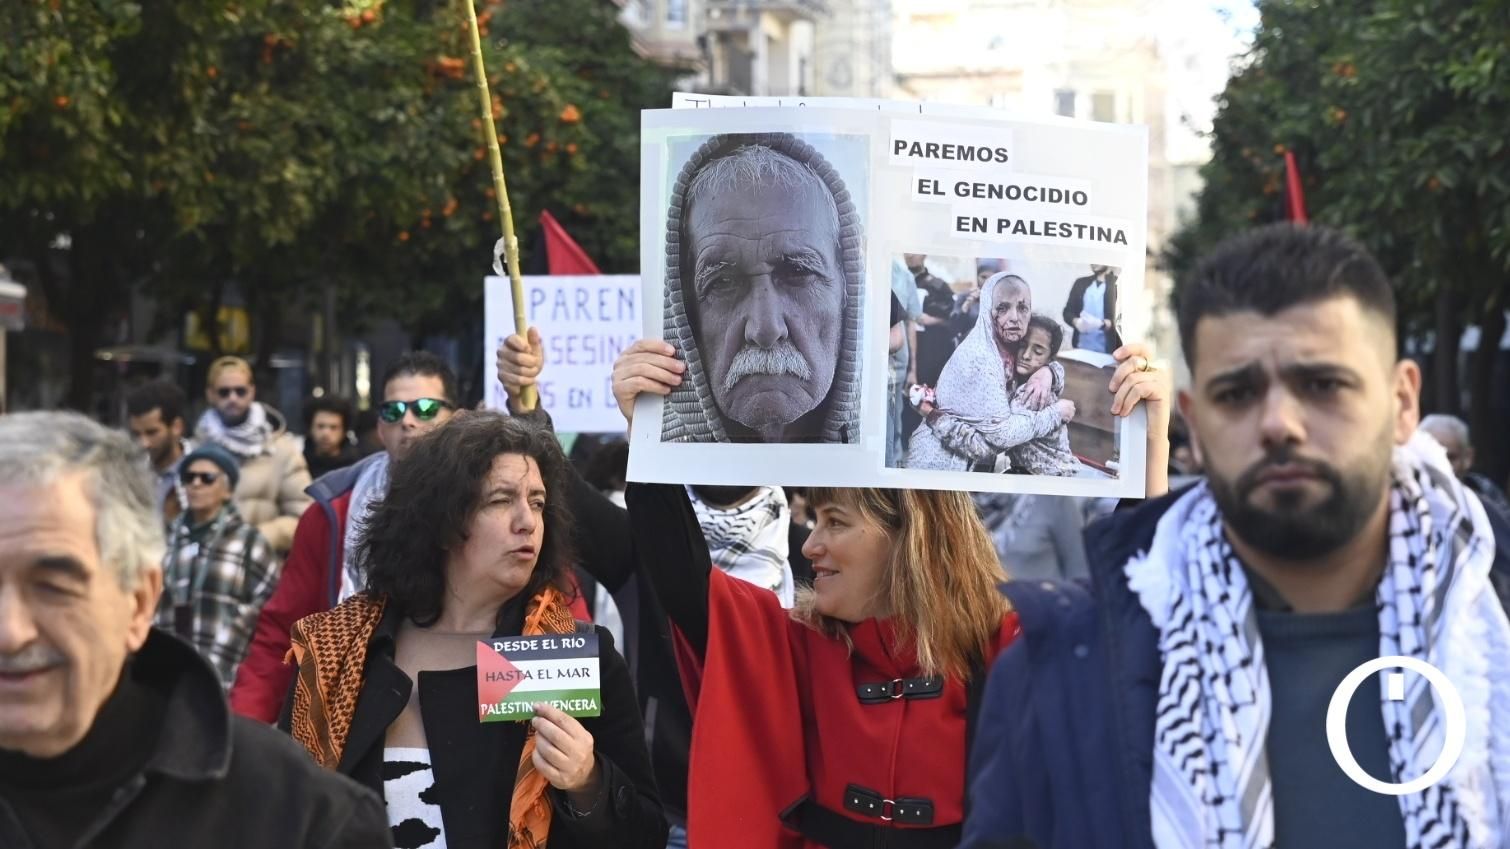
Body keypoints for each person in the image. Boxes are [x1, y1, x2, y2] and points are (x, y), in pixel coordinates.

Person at [963, 224, 1510, 849]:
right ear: (1195, 423)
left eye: (1322, 384)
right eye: (1238, 393)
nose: (1279, 423)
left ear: (1402, 401)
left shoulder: (1496, 624)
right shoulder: (1060, 677)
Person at [608, 335, 1168, 849]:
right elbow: (681, 579)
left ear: (909, 538)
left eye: (836, 522)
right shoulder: (795, 648)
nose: (811, 545)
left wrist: (1150, 441)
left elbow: (1120, 608)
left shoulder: (1005, 649)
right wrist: (650, 436)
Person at [0, 412, 391, 849]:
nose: (10, 633)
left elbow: (274, 626)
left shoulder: (301, 818)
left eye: (52, 587)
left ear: (138, 602)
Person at [279, 410, 665, 849]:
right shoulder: (340, 649)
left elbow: (647, 834)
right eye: (501, 500)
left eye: (537, 502)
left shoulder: (575, 655)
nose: (527, 521)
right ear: (443, 522)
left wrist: (588, 783)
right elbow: (283, 811)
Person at [497, 334, 819, 849]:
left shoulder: (816, 557)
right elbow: (557, 492)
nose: (725, 439)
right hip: (673, 815)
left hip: (785, 817)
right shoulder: (644, 542)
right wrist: (525, 401)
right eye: (708, 418)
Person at [230, 352, 459, 722]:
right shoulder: (332, 513)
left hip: (463, 715)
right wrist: (241, 730)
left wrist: (581, 762)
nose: (409, 422)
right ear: (380, 427)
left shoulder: (491, 504)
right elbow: (281, 633)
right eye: (393, 411)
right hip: (351, 723)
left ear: (457, 420)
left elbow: (545, 613)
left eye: (427, 408)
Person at [661, 133, 864, 444]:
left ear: (847, 290)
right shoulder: (654, 459)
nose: (765, 329)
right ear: (686, 314)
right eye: (723, 282)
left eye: (798, 272)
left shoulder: (900, 461)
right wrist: (641, 435)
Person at [906, 273, 1063, 471]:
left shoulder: (1012, 343)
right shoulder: (980, 358)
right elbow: (997, 441)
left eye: (1022, 308)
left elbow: (1047, 357)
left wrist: (1049, 373)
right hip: (941, 465)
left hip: (968, 465)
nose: (1014, 317)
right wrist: (1056, 414)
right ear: (987, 310)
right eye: (1002, 308)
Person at [156, 443, 280, 691]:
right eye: (189, 478)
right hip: (170, 674)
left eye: (207, 478)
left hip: (228, 675)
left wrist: (229, 643)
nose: (196, 484)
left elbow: (268, 605)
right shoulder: (168, 538)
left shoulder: (248, 541)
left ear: (227, 490)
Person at [916, 313, 1079, 476]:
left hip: (1045, 482)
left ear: (1049, 358)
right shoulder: (1017, 377)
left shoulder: (1032, 393)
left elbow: (983, 449)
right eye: (1023, 345)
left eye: (1037, 351)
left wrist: (933, 415)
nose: (1026, 355)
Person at [193, 356, 311, 554]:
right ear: (210, 395)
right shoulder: (196, 449)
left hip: (264, 566)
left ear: (252, 392)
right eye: (224, 392)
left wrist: (257, 538)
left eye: (240, 391)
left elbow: (305, 514)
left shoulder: (281, 449)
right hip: (208, 566)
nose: (233, 398)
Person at [973, 493, 1088, 583]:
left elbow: (1081, 572)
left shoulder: (1051, 498)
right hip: (983, 610)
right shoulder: (959, 500)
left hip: (1042, 610)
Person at [125, 379, 193, 527]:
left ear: (176, 427)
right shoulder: (127, 471)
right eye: (136, 434)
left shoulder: (202, 470)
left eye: (152, 432)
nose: (143, 443)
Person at [1418, 413, 1510, 521]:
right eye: (1431, 457)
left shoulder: (1487, 496)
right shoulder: (1402, 498)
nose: (1441, 466)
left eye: (1450, 458)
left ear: (1467, 458)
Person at [889, 258, 923, 465]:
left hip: (895, 366)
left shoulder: (902, 275)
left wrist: (913, 369)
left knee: (893, 427)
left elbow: (910, 322)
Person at [1061, 264, 1121, 353]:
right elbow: (1067, 311)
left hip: (1107, 352)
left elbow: (1119, 319)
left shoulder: (1116, 284)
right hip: (1080, 347)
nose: (1094, 263)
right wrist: (1076, 322)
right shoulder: (1080, 283)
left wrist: (1102, 324)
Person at [302, 394, 360, 479]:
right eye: (320, 426)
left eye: (334, 427)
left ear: (344, 431)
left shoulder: (357, 468)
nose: (326, 433)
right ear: (310, 428)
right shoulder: (299, 464)